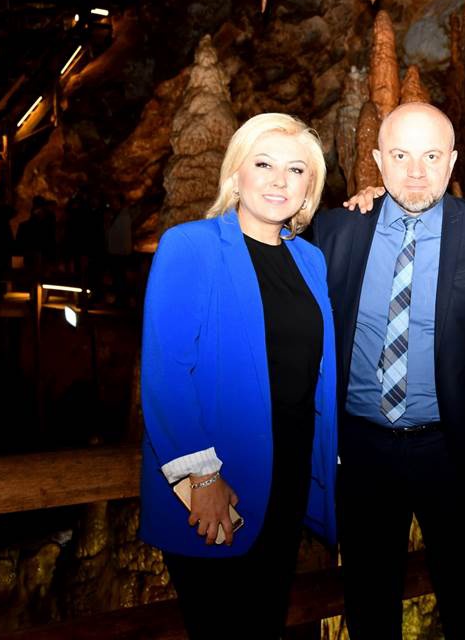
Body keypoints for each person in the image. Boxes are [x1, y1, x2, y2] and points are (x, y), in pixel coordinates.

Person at [311, 101, 465, 640]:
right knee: (368, 602)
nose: (415, 172)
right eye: (401, 156)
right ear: (377, 161)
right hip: (360, 451)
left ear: (451, 162)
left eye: (431, 156)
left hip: (451, 451)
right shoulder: (335, 231)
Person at [139, 113, 338, 639]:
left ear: (310, 186)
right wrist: (202, 477)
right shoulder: (190, 246)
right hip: (216, 485)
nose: (279, 180)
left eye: (296, 169)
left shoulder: (310, 260)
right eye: (264, 164)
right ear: (236, 172)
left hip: (288, 480)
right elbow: (167, 372)